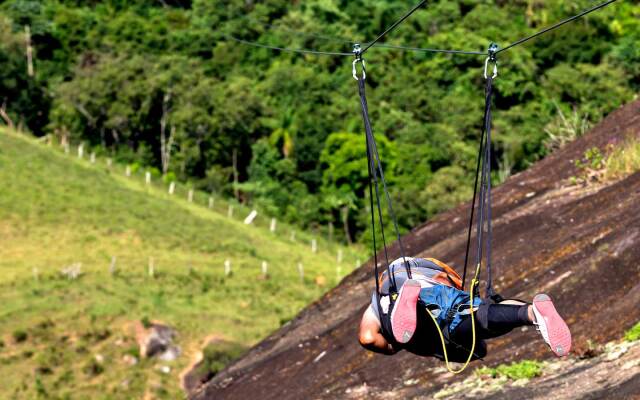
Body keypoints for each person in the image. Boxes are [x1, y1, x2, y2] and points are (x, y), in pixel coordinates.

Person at [358, 257, 572, 360]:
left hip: (408, 285)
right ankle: (532, 313)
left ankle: (529, 313)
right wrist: (391, 346)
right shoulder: (439, 343)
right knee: (475, 317)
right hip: (417, 279)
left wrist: (394, 347)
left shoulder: (434, 344)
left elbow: (368, 338)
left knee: (477, 318)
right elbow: (367, 337)